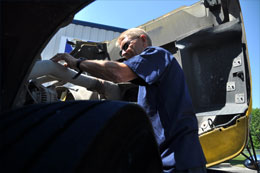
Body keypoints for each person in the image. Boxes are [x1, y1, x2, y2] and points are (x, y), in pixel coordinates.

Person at [51, 28, 207, 172]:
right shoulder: (146, 82)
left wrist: (77, 63)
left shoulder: (157, 54)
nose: (123, 53)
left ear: (143, 39)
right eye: (121, 51)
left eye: (126, 46)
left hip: (180, 161)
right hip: (165, 162)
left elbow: (117, 73)